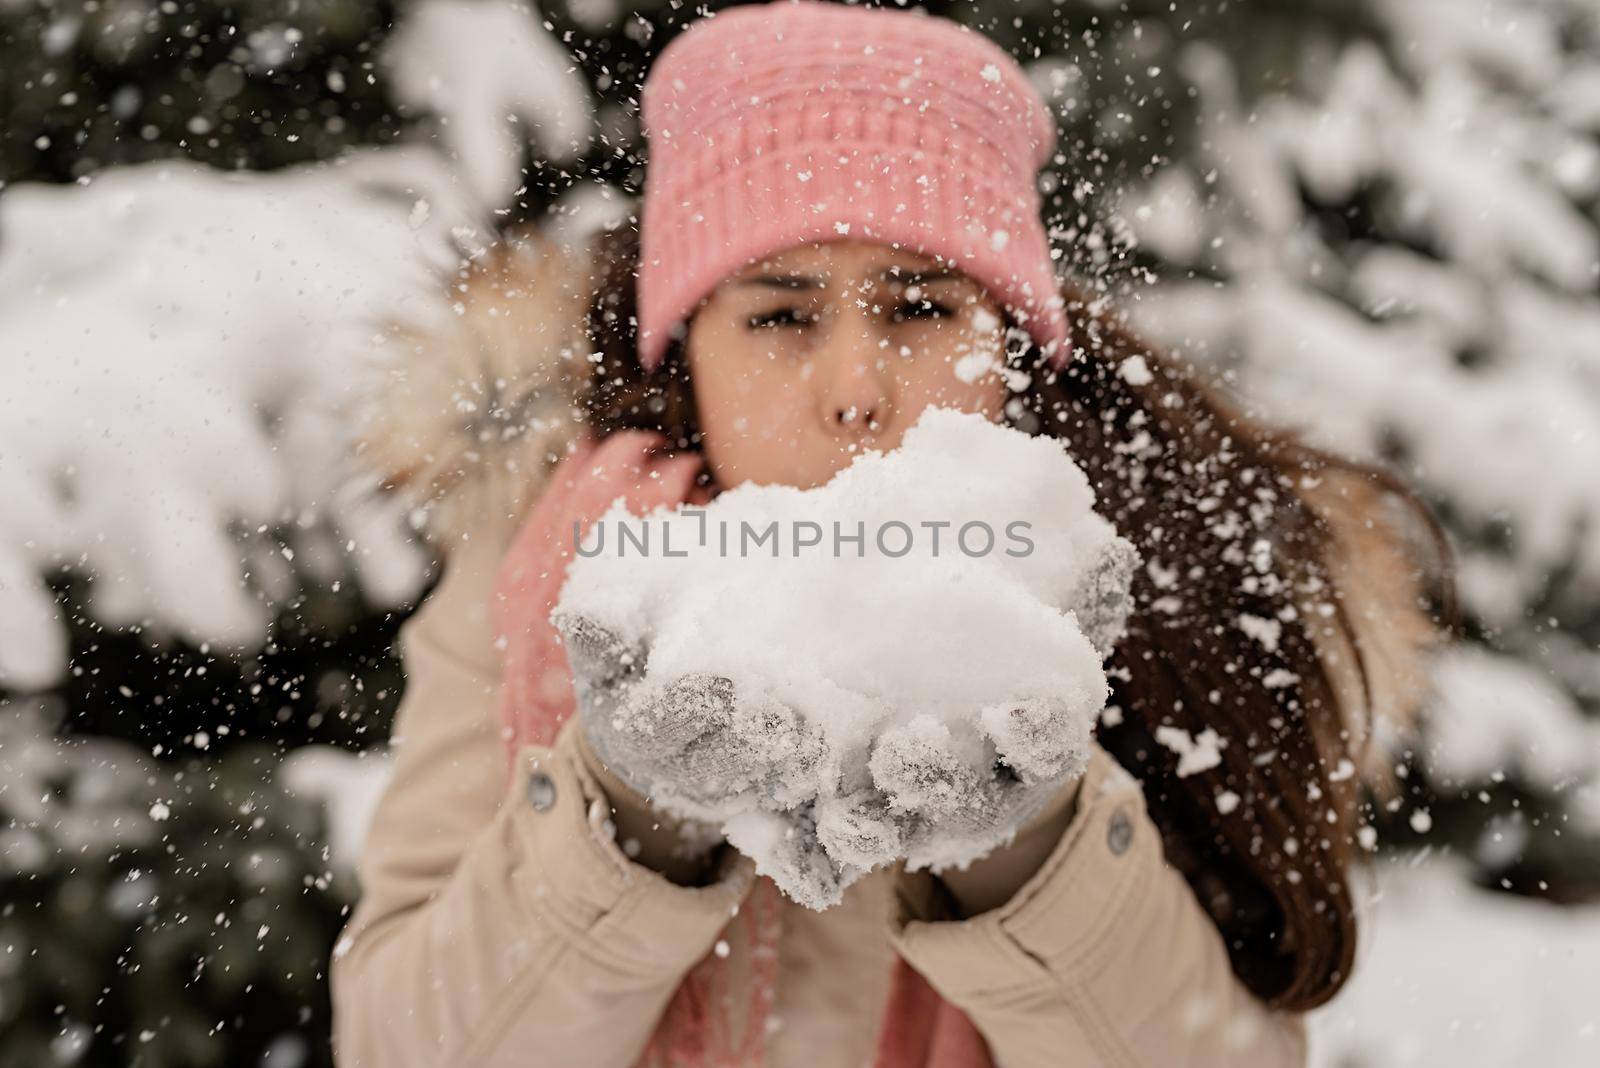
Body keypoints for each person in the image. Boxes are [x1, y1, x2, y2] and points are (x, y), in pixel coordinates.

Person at [330, 2, 1456, 1065]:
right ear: (685, 352)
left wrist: (1033, 851)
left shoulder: (1158, 590)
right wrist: (629, 824)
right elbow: (398, 1047)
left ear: (1007, 342)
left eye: (921, 308)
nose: (854, 390)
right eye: (778, 315)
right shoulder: (545, 574)